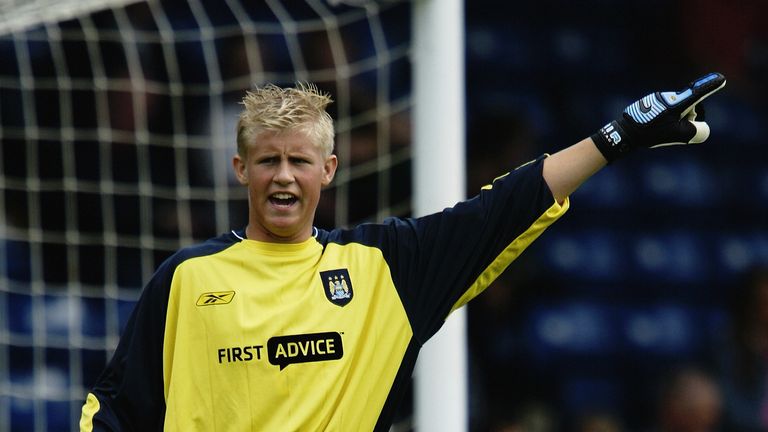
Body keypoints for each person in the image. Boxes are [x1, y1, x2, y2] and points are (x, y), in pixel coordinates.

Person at [79, 75, 726, 431]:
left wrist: (613, 139)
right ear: (239, 168)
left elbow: (497, 212)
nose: (283, 176)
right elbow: (112, 412)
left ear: (327, 169)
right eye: (268, 160)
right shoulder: (186, 280)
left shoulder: (381, 269)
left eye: (298, 161)